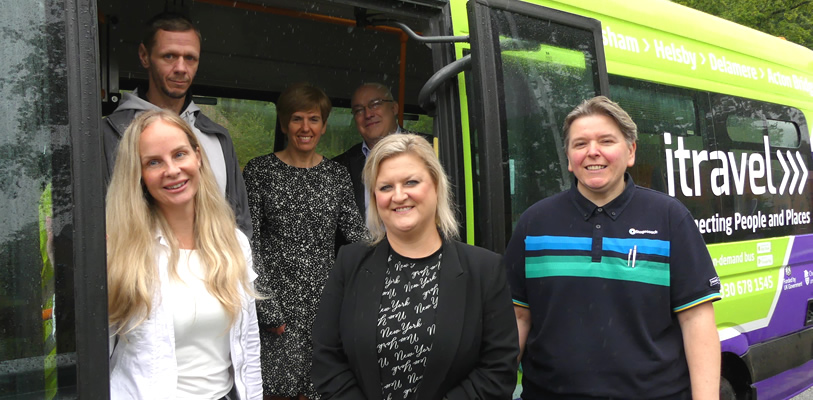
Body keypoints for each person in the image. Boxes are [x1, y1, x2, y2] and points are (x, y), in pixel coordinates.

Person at [506, 96, 722, 399]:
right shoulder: (534, 223)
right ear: (568, 158)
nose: (593, 151)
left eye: (606, 140)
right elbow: (518, 319)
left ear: (631, 151)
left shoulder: (670, 218)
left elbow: (697, 321)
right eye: (580, 144)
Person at [312, 134, 519, 400]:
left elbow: (497, 370)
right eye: (386, 187)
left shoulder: (485, 270)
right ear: (375, 197)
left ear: (436, 185)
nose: (399, 196)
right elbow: (327, 357)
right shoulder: (349, 263)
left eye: (411, 182)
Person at [106, 110, 262, 399]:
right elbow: (98, 352)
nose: (172, 170)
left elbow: (249, 345)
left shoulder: (234, 243)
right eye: (154, 162)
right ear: (139, 176)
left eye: (179, 154)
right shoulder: (120, 250)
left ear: (198, 156)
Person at [243, 82, 366, 400]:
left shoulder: (336, 175)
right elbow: (247, 242)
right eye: (297, 118)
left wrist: (404, 251)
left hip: (324, 304)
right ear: (284, 124)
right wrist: (265, 306)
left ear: (324, 126)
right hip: (276, 304)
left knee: (318, 390)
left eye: (314, 119)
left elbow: (356, 235)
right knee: (276, 392)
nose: (305, 127)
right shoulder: (259, 171)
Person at [102, 11, 252, 238]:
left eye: (190, 58)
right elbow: (99, 222)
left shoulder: (217, 137)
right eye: (169, 56)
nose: (181, 68)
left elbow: (238, 220)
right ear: (144, 56)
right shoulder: (110, 134)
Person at [333, 83, 432, 219]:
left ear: (394, 108)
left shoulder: (432, 148)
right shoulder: (339, 167)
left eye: (375, 104)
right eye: (359, 110)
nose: (368, 114)